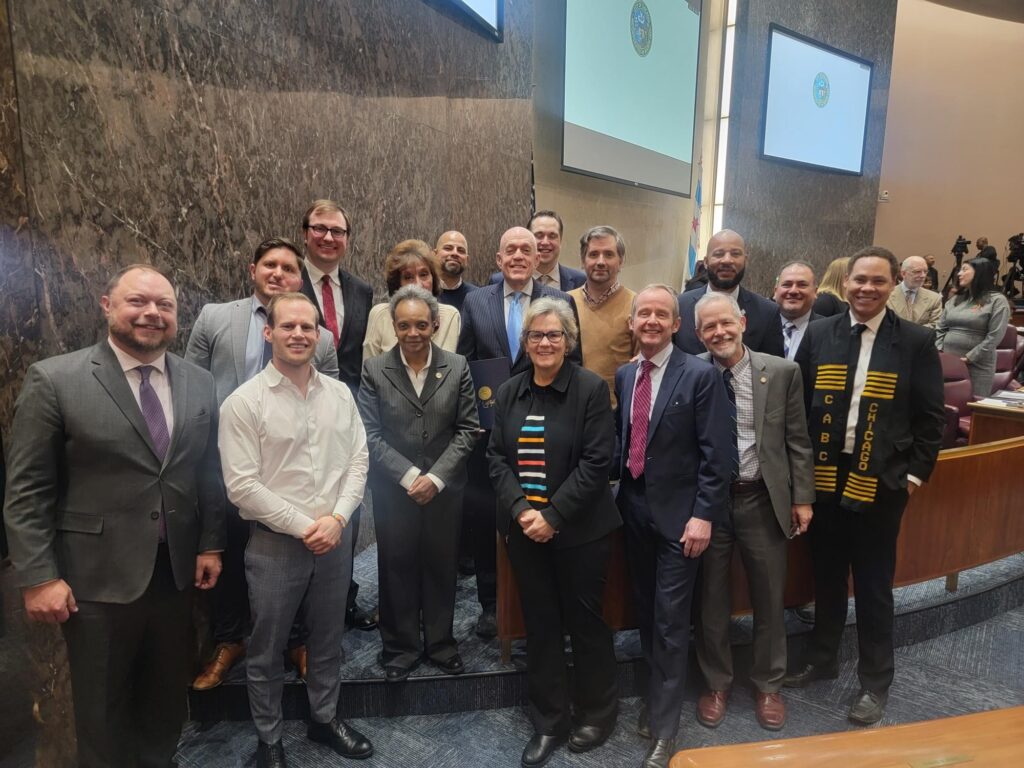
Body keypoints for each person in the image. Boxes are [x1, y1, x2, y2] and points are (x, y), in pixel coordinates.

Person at [3, 264, 225, 768]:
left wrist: (211, 542)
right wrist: (38, 576)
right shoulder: (56, 379)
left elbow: (206, 472)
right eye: (137, 302)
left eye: (164, 306)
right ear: (107, 306)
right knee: (102, 711)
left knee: (167, 699)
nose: (151, 313)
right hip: (94, 582)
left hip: (174, 574)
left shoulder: (198, 381)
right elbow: (28, 489)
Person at [786, 247, 944, 725]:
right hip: (827, 478)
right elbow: (803, 406)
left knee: (874, 586)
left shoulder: (915, 340)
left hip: (882, 482)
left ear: (894, 283)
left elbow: (931, 419)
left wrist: (912, 478)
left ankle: (876, 682)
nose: (866, 289)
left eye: (878, 281)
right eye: (859, 280)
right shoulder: (820, 332)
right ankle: (822, 658)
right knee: (827, 576)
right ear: (846, 282)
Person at [219, 292, 372, 768]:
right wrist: (310, 526)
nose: (300, 334)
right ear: (270, 333)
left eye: (309, 327)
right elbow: (242, 486)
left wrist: (339, 518)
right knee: (267, 647)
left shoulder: (340, 394)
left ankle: (324, 719)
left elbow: (358, 459)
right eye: (289, 327)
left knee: (328, 637)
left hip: (335, 537)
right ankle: (270, 739)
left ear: (320, 335)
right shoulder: (243, 403)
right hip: (275, 546)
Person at [186, 237, 338, 689]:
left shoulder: (320, 336)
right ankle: (230, 640)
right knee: (229, 550)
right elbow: (192, 384)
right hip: (226, 462)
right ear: (252, 269)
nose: (278, 273)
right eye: (269, 265)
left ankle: (295, 640)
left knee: (292, 557)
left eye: (289, 268)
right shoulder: (215, 317)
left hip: (292, 469)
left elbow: (330, 403)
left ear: (300, 277)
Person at [488, 297, 621, 767]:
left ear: (569, 340)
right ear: (524, 342)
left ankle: (597, 713)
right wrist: (525, 511)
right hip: (526, 532)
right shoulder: (509, 392)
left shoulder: (588, 389)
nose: (544, 343)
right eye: (536, 336)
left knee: (585, 623)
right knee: (540, 626)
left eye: (554, 335)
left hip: (581, 531)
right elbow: (496, 458)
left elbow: (597, 461)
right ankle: (550, 720)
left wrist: (554, 515)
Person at [614, 285, 733, 768]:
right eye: (644, 313)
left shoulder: (700, 375)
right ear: (632, 322)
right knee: (645, 610)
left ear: (677, 324)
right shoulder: (625, 374)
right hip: (635, 512)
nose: (652, 321)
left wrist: (704, 515)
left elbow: (716, 455)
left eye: (662, 314)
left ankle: (665, 729)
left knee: (670, 621)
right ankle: (654, 699)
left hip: (683, 520)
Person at [692, 292, 815, 733]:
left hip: (762, 498)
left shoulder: (782, 372)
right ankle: (717, 682)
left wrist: (803, 498)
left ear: (742, 321)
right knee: (711, 600)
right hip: (710, 503)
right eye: (709, 327)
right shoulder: (693, 374)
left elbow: (799, 440)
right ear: (698, 334)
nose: (719, 332)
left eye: (726, 323)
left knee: (768, 595)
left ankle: (768, 685)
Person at [457, 226, 581, 638]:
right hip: (487, 435)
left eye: (526, 250)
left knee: (539, 512)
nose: (518, 256)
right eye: (509, 249)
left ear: (537, 258)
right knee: (485, 519)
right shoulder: (476, 301)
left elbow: (572, 361)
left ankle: (541, 602)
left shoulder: (559, 301)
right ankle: (491, 604)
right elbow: (465, 363)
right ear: (498, 258)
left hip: (543, 431)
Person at [357, 286, 478, 682]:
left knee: (442, 566)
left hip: (445, 489)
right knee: (396, 566)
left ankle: (441, 644)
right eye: (404, 325)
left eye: (421, 324)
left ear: (435, 325)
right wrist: (412, 477)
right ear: (393, 326)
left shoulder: (457, 366)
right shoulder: (375, 369)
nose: (413, 332)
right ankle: (400, 648)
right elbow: (370, 435)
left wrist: (437, 478)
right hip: (396, 490)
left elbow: (467, 429)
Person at [296, 198, 376, 631]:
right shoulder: (287, 282)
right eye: (320, 228)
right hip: (296, 413)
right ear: (305, 233)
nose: (328, 237)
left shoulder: (361, 290)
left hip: (348, 416)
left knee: (349, 505)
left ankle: (344, 599)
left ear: (347, 240)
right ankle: (299, 609)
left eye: (338, 231)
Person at [675, 230, 785, 357]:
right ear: (706, 262)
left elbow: (773, 370)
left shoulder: (767, 312)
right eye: (718, 254)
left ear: (745, 261)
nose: (727, 260)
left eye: (735, 254)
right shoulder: (680, 306)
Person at [568, 225, 637, 406]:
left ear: (620, 261)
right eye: (593, 254)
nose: (600, 261)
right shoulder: (565, 302)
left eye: (608, 254)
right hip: (571, 407)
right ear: (583, 261)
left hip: (616, 410)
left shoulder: (637, 305)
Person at [362, 239, 461, 358]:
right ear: (398, 284)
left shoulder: (451, 316)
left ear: (433, 278)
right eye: (408, 277)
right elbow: (369, 371)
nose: (418, 284)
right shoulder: (380, 315)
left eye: (423, 275)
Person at [935, 256, 1011, 395]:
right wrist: (940, 350)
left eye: (964, 269)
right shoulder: (956, 299)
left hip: (977, 364)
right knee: (946, 406)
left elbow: (995, 335)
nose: (959, 274)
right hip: (949, 362)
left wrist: (971, 357)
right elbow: (941, 327)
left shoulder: (997, 301)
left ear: (979, 273)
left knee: (973, 407)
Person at [489, 210, 587, 290]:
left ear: (560, 241)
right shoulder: (499, 280)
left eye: (552, 236)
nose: (545, 242)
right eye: (539, 235)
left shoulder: (579, 281)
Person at [773, 260, 821, 361]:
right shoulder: (758, 327)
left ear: (815, 292)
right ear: (775, 291)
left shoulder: (829, 332)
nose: (793, 291)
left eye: (802, 285)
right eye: (787, 285)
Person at [886, 255, 942, 328]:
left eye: (925, 271)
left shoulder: (934, 298)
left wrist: (913, 333)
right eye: (917, 272)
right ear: (903, 273)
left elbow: (936, 325)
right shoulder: (887, 295)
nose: (923, 276)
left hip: (921, 338)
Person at [435, 230, 479, 311]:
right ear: (435, 254)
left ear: (467, 260)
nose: (455, 253)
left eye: (461, 250)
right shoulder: (423, 293)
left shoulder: (478, 297)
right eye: (448, 248)